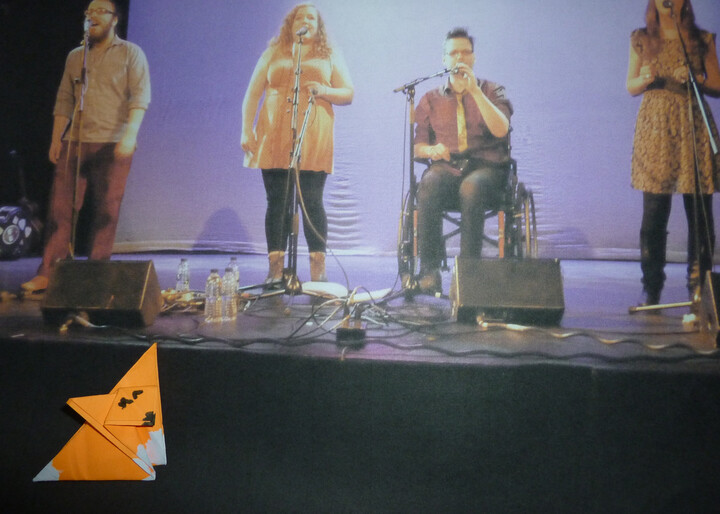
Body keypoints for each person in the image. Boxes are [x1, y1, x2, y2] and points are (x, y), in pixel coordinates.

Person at [21, 0, 150, 293]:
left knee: (107, 211)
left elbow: (140, 97)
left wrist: (130, 136)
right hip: (75, 142)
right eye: (89, 12)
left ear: (114, 19)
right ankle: (49, 272)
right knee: (60, 210)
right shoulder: (76, 56)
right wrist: (57, 137)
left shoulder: (131, 53)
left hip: (113, 142)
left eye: (101, 11)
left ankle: (96, 273)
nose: (93, 16)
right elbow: (64, 99)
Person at [241, 3, 353, 283]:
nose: (305, 20)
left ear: (319, 25)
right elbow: (252, 93)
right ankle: (276, 270)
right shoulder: (273, 52)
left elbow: (348, 93)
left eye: (311, 17)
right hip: (273, 133)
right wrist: (246, 130)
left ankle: (318, 270)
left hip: (313, 133)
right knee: (277, 201)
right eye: (299, 17)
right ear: (290, 25)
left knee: (311, 201)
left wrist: (324, 90)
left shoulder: (329, 53)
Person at [626, 0, 720, 306]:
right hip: (656, 126)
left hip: (692, 122)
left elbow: (716, 83)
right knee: (654, 210)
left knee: (699, 210)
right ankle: (652, 286)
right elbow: (631, 85)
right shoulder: (642, 37)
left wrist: (695, 77)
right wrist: (646, 78)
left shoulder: (701, 39)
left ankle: (699, 286)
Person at [414, 27, 513, 293]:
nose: (460, 57)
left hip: (487, 168)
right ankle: (429, 271)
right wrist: (432, 151)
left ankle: (468, 276)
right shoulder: (429, 99)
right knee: (429, 182)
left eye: (465, 52)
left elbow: (501, 130)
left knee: (471, 187)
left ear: (473, 58)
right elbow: (418, 146)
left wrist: (475, 92)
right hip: (449, 168)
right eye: (453, 53)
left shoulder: (493, 90)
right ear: (444, 59)